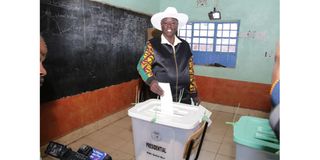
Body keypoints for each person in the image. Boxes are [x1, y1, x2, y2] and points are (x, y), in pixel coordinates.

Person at [137, 7, 200, 105]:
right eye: (165, 23)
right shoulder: (152, 44)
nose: (169, 26)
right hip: (161, 96)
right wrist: (151, 81)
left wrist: (194, 93)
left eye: (173, 23)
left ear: (177, 25)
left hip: (183, 97)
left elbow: (190, 71)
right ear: (161, 25)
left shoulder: (185, 45)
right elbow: (142, 65)